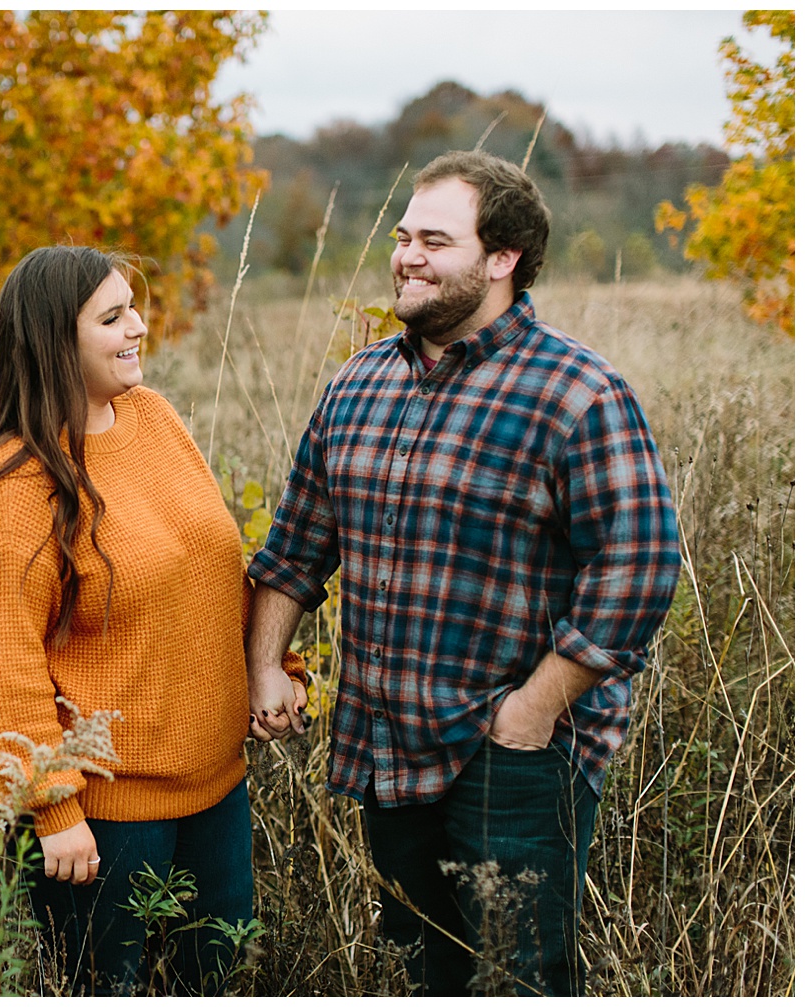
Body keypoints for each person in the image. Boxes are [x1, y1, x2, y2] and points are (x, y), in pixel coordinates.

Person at [245, 151, 680, 995]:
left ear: (502, 258)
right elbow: (295, 546)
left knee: (520, 978)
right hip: (384, 747)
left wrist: (533, 710)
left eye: (433, 240)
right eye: (404, 235)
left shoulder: (577, 392)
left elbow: (640, 564)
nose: (405, 254)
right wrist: (266, 660)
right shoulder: (358, 385)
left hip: (512, 755)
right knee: (421, 969)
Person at [0, 245, 299, 995]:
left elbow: (203, 565)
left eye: (133, 307)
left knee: (220, 980)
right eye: (112, 317)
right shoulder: (16, 488)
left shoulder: (154, 416)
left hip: (216, 791)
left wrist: (269, 668)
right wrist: (53, 807)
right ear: (53, 342)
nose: (138, 327)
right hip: (105, 823)